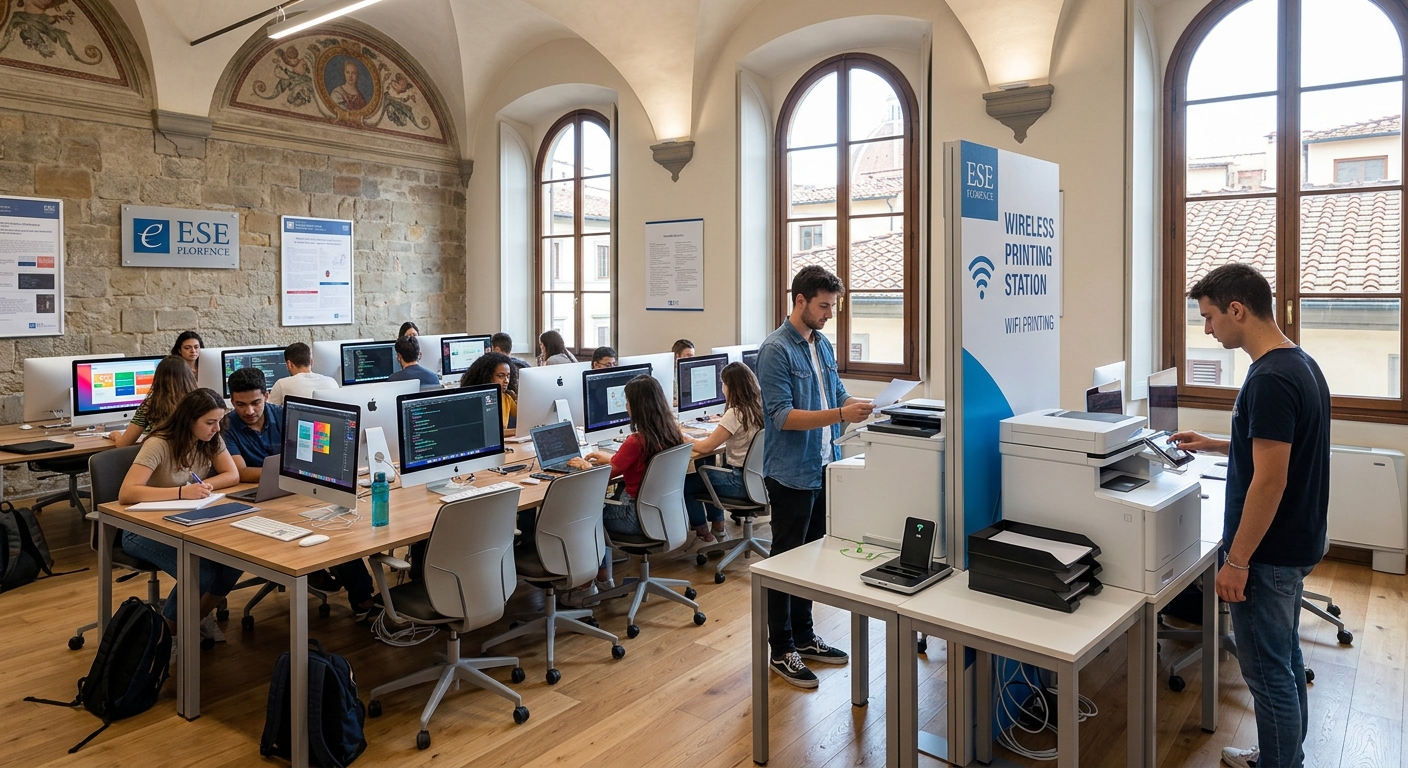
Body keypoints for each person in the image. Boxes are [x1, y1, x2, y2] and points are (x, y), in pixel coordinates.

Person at [1169, 263, 1330, 768]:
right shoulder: (1298, 362)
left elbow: (1270, 480)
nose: (1207, 329)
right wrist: (1217, 442)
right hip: (1297, 541)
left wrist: (1236, 561)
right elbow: (1276, 449)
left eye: (1211, 317)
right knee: (1285, 660)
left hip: (1267, 554)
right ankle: (1284, 756)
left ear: (1238, 310)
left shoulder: (1269, 380)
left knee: (1268, 675)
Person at [757, 265, 874, 688]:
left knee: (810, 560)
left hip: (823, 463)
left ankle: (805, 638)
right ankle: (781, 648)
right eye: (824, 306)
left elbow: (836, 393)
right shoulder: (775, 350)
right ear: (800, 301)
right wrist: (842, 413)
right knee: (784, 563)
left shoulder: (820, 344)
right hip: (790, 472)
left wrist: (861, 404)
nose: (829, 314)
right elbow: (782, 416)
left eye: (833, 307)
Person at [223, 368, 380, 621]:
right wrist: (285, 468)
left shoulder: (286, 415)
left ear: (266, 395)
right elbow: (239, 471)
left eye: (255, 403)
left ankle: (359, 593)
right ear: (232, 400)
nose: (249, 411)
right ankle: (334, 581)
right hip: (255, 500)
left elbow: (310, 455)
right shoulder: (227, 425)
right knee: (318, 526)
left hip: (296, 490)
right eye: (240, 404)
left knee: (335, 526)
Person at [116, 388, 243, 641]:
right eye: (210, 422)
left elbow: (233, 474)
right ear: (189, 420)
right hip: (140, 529)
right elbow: (127, 493)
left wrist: (204, 488)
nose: (216, 429)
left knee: (232, 565)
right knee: (201, 573)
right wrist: (182, 493)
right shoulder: (159, 443)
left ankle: (193, 617)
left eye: (219, 422)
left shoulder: (210, 440)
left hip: (183, 523)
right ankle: (167, 640)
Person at [564, 375, 689, 604]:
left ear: (637, 407)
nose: (626, 406)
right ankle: (602, 580)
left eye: (628, 401)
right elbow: (631, 463)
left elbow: (606, 475)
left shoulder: (635, 441)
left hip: (635, 517)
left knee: (588, 517)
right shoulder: (673, 434)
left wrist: (587, 465)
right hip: (664, 514)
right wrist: (612, 458)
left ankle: (590, 585)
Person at [683, 362, 763, 544]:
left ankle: (703, 531)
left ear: (731, 387)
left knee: (685, 482)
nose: (722, 388)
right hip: (758, 481)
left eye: (723, 384)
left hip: (739, 483)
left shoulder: (735, 413)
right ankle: (718, 527)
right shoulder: (759, 408)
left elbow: (705, 448)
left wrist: (686, 438)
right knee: (706, 472)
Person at [111, 356, 196, 447]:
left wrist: (117, 435)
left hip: (159, 458)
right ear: (189, 377)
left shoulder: (150, 405)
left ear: (158, 379)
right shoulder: (197, 403)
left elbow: (123, 444)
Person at [460, 351, 519, 429]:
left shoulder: (506, 398)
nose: (506, 381)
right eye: (501, 376)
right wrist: (516, 432)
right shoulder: (475, 400)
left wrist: (517, 398)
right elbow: (492, 432)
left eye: (508, 376)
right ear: (487, 376)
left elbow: (525, 417)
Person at [268, 342, 338, 406]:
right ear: (311, 361)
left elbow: (269, 411)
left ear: (289, 364)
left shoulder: (281, 384)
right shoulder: (332, 382)